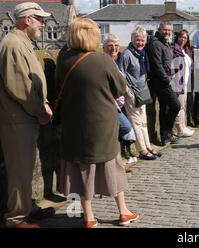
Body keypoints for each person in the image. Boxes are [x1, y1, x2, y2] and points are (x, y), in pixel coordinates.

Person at [56, 18, 139, 228]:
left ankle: (89, 217)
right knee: (112, 166)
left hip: (74, 124)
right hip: (102, 125)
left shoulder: (63, 59)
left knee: (82, 169)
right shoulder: (102, 60)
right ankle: (123, 212)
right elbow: (120, 89)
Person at [0, 3, 53, 228]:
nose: (43, 23)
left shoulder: (22, 43)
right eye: (39, 19)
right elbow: (20, 87)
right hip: (17, 118)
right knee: (19, 168)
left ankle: (26, 208)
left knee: (26, 166)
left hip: (23, 117)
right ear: (27, 20)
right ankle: (16, 219)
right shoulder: (13, 44)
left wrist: (45, 103)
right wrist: (40, 111)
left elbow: (33, 81)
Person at [119, 27, 160, 160]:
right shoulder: (127, 54)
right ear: (132, 40)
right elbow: (121, 74)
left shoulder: (142, 53)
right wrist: (128, 92)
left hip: (142, 91)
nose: (140, 43)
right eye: (138, 40)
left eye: (142, 40)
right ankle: (142, 150)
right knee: (136, 122)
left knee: (143, 121)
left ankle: (147, 146)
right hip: (132, 93)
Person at [103, 35, 141, 165]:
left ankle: (124, 154)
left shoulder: (120, 59)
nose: (113, 48)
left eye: (116, 45)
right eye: (110, 45)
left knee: (123, 129)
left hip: (122, 101)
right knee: (125, 127)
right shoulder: (103, 61)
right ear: (104, 47)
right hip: (110, 103)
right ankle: (117, 159)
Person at [147, 23, 181, 145]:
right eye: (165, 29)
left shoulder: (164, 43)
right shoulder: (156, 44)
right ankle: (166, 133)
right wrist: (167, 80)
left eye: (169, 30)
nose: (167, 32)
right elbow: (157, 65)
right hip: (161, 82)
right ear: (159, 30)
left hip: (166, 80)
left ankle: (166, 135)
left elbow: (167, 62)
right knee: (176, 105)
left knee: (165, 108)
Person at [172, 30, 195, 137]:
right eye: (181, 37)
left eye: (185, 38)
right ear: (177, 38)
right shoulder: (174, 49)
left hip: (185, 82)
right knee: (179, 106)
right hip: (177, 82)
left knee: (184, 105)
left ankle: (183, 125)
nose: (183, 39)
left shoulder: (186, 51)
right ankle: (180, 129)